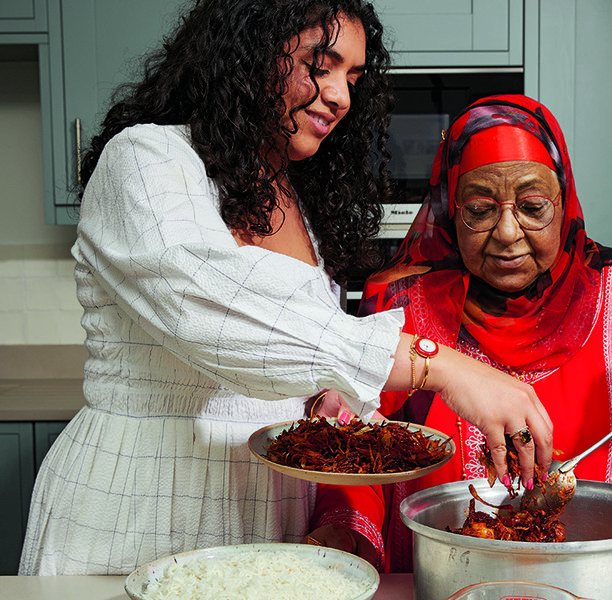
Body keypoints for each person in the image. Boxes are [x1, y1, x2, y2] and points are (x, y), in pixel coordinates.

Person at [18, 3, 548, 576]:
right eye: (321, 65)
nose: (340, 97)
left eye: (353, 78)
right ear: (249, 54)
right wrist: (439, 366)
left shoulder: (295, 201)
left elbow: (287, 352)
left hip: (272, 515)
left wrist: (324, 398)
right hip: (144, 503)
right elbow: (212, 315)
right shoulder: (147, 158)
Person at [308, 94, 612, 572]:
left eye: (533, 206)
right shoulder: (403, 306)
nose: (507, 232)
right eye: (479, 209)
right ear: (450, 209)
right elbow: (356, 455)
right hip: (447, 580)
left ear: (564, 202)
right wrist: (349, 531)